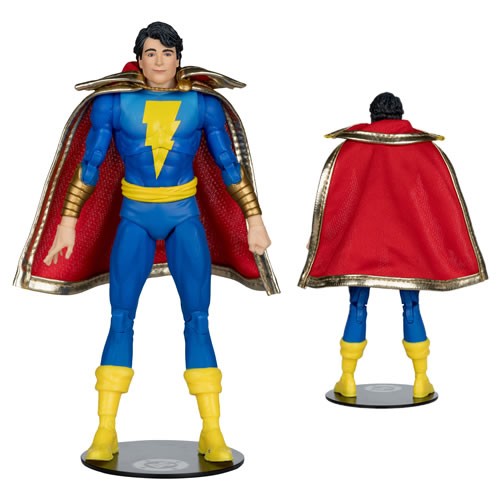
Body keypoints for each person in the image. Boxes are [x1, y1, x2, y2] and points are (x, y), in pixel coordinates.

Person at [16, 21, 279, 462]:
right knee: (121, 319)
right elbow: (90, 165)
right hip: (134, 219)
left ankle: (212, 430)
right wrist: (68, 221)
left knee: (198, 320)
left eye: (167, 53)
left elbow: (229, 166)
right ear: (138, 59)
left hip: (185, 218)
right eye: (151, 53)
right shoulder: (113, 103)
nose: (159, 61)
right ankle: (105, 431)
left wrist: (254, 218)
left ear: (179, 58)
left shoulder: (203, 105)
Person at [299, 92, 487, 398]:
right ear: (400, 115)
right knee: (411, 307)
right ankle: (421, 379)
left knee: (357, 306)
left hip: (361, 242)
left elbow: (339, 201)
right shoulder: (423, 149)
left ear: (372, 116)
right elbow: (437, 201)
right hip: (408, 243)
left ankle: (347, 378)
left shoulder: (352, 148)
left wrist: (321, 236)